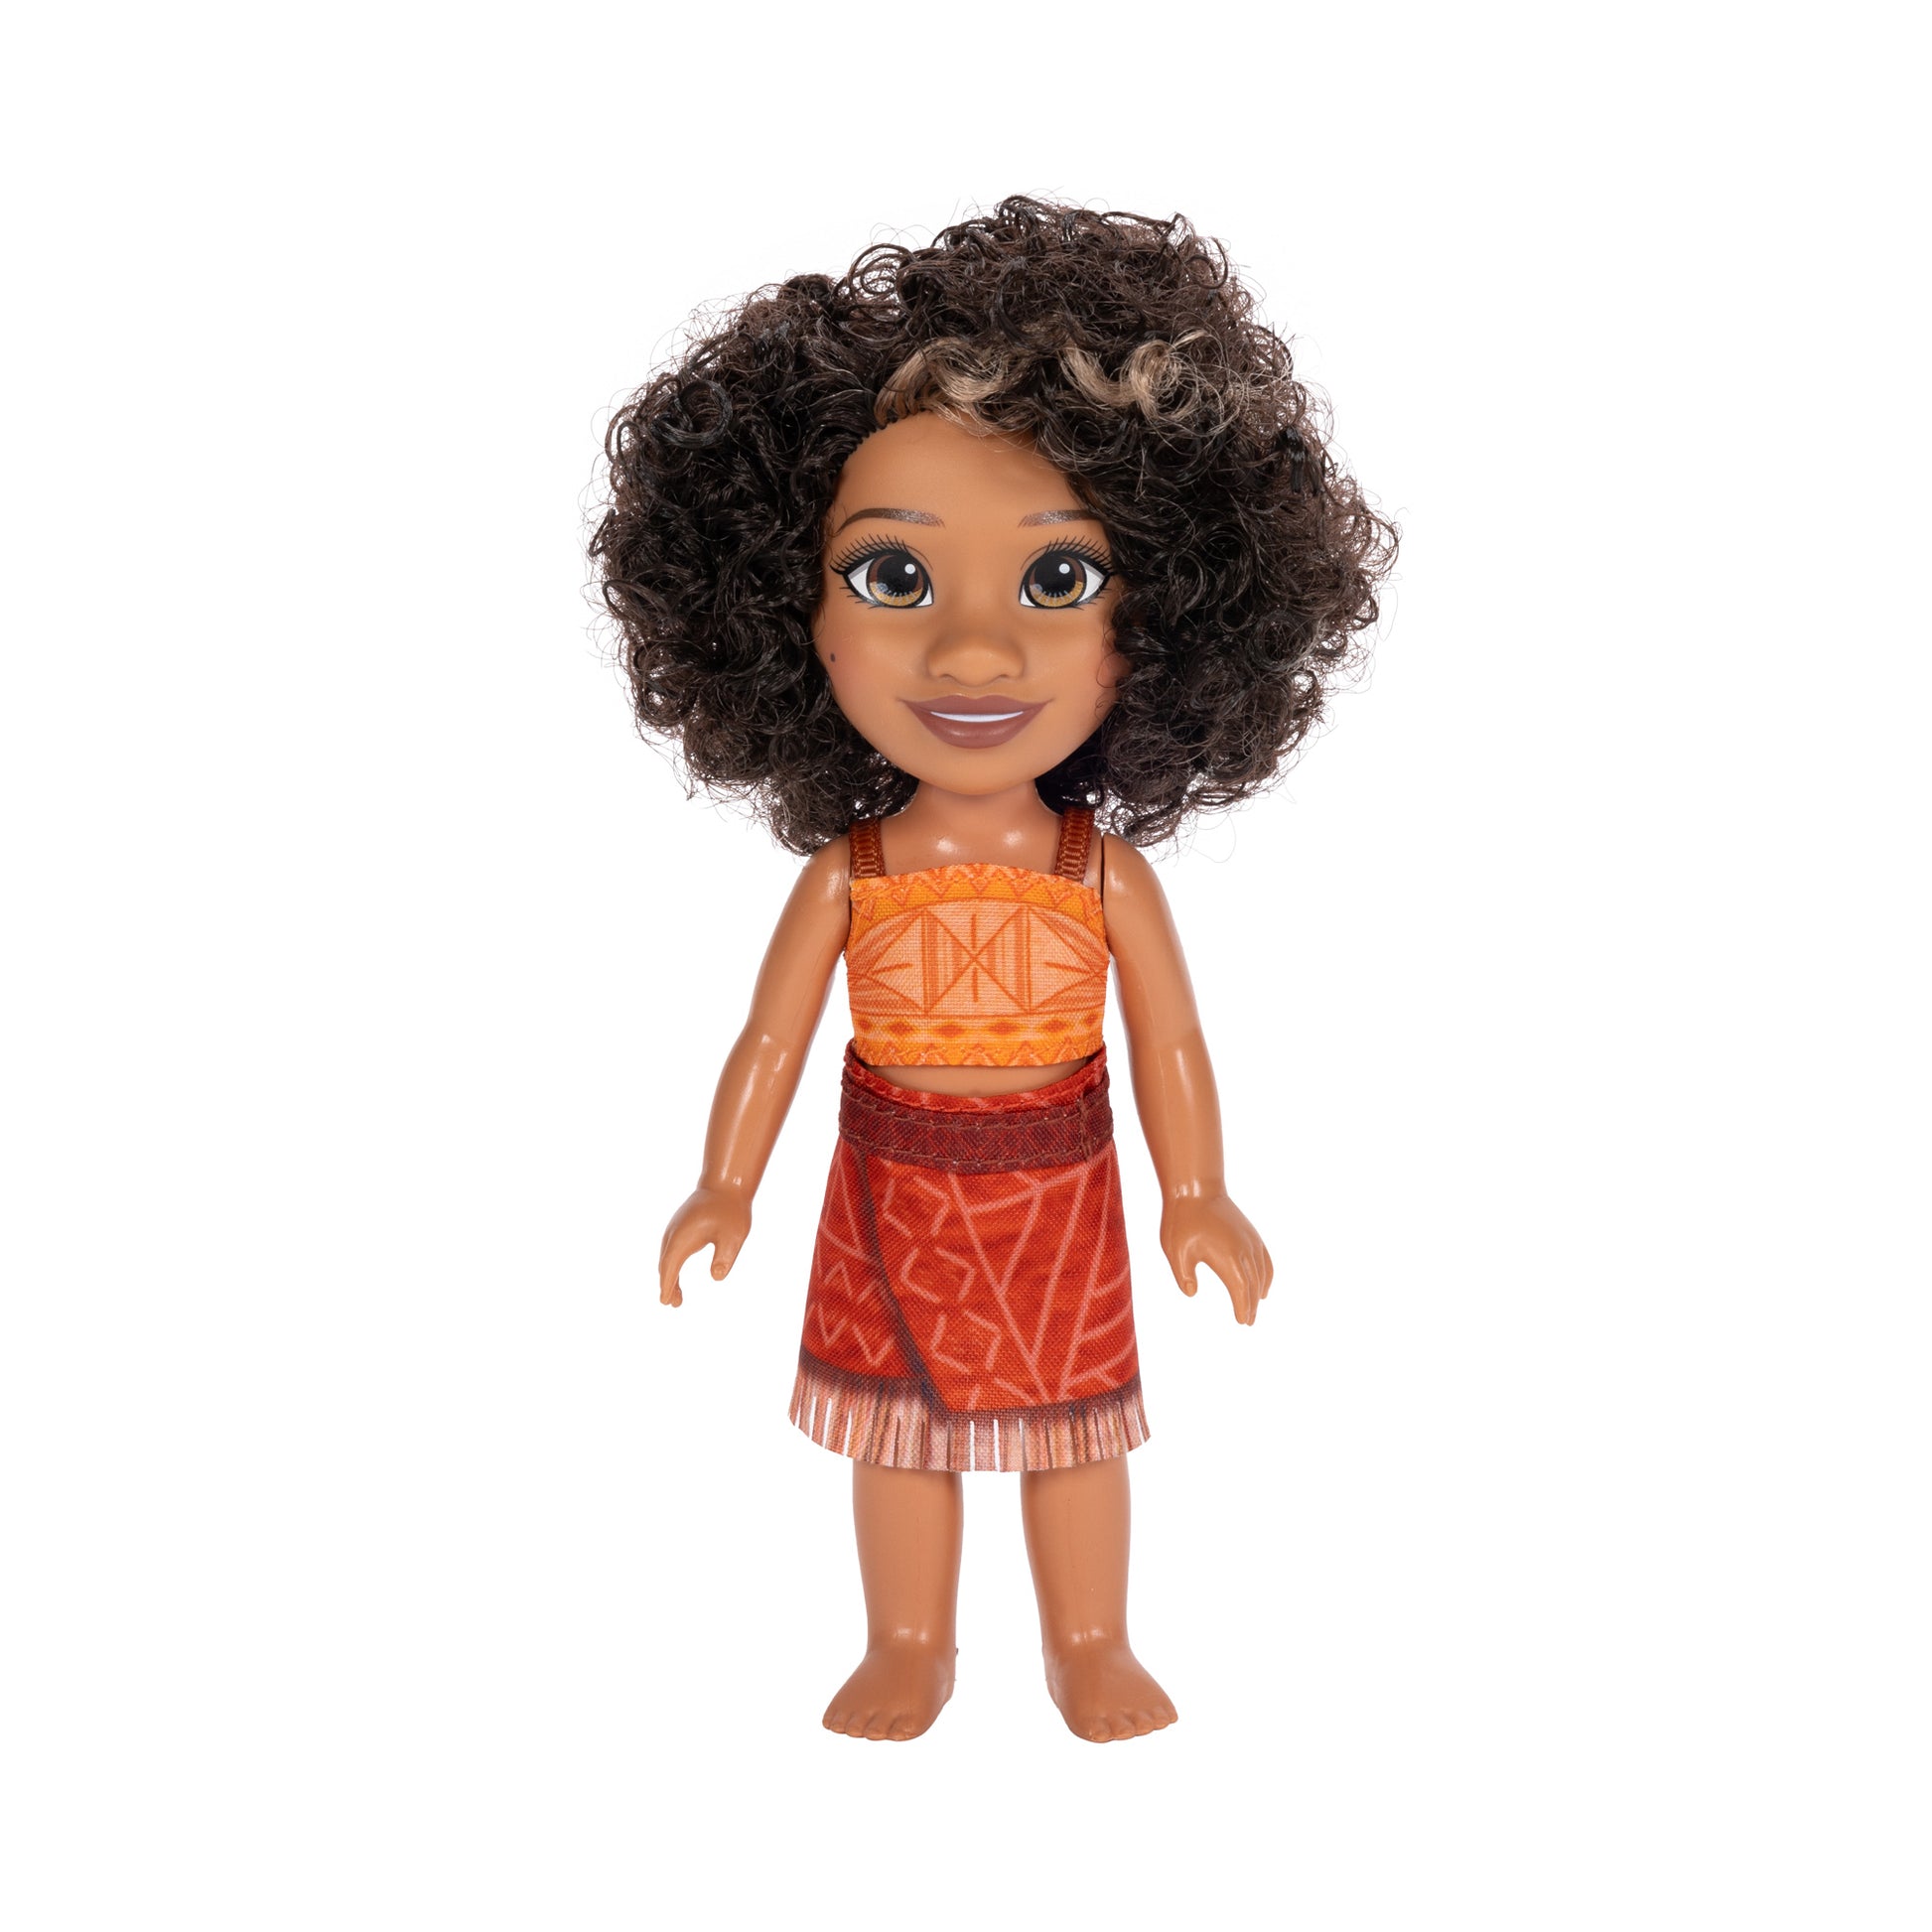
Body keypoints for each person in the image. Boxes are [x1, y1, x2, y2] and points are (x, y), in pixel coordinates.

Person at [591, 197, 1397, 1741]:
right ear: (786, 617)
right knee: (893, 1431)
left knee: (1075, 1426)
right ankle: (909, 1639)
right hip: (888, 1179)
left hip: (1058, 1179)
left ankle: (1088, 1636)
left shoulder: (1100, 875)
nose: (972, 654)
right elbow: (770, 1040)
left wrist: (1195, 1188)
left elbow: (1170, 1043)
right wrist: (723, 1181)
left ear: (1164, 620)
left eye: (1057, 581)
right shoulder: (851, 874)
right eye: (894, 579)